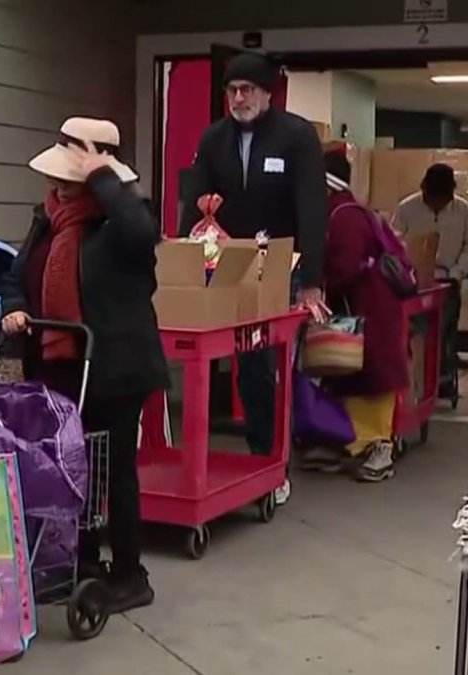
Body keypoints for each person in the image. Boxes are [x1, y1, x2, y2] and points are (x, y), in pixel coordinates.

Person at [0, 117, 168, 613]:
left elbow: (143, 236)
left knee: (113, 471)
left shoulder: (123, 219)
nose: (58, 186)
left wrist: (103, 178)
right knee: (73, 468)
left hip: (114, 366)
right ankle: (83, 560)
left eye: (70, 178)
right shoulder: (46, 218)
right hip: (59, 366)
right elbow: (18, 272)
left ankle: (130, 573)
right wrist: (15, 306)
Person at [180, 51, 329, 505]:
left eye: (248, 90)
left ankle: (271, 460)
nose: (239, 98)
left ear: (267, 93)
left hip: (283, 266)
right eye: (232, 90)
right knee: (244, 366)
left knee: (271, 363)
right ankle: (257, 454)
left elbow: (311, 209)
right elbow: (194, 202)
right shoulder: (214, 139)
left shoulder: (296, 137)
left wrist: (312, 281)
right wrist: (183, 264)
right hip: (226, 265)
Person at [300, 152, 408, 482]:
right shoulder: (350, 210)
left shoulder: (342, 217)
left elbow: (344, 268)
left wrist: (312, 284)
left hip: (370, 310)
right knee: (353, 374)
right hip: (367, 309)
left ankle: (380, 446)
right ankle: (349, 443)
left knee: (372, 377)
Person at [391, 163, 468, 398]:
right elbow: (394, 242)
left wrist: (456, 273)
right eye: (431, 198)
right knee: (414, 330)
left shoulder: (463, 211)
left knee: (443, 330)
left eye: (440, 200)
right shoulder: (407, 208)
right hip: (414, 282)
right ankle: (416, 377)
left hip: (448, 279)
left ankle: (442, 376)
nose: (435, 204)